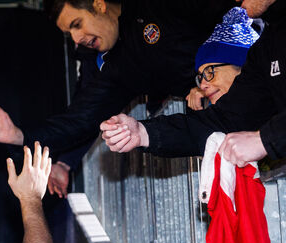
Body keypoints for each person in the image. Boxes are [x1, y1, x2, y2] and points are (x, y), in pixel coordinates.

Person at [0, 0, 232, 196]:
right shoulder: (115, 67)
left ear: (98, 4)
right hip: (228, 104)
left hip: (250, 56)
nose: (77, 38)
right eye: (69, 33)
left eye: (77, 24)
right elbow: (80, 120)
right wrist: (19, 136)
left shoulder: (152, 5)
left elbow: (231, 11)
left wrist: (216, 66)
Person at [100, 0, 285, 168]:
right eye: (201, 76)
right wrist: (143, 133)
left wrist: (265, 140)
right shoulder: (266, 49)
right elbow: (224, 119)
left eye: (210, 72)